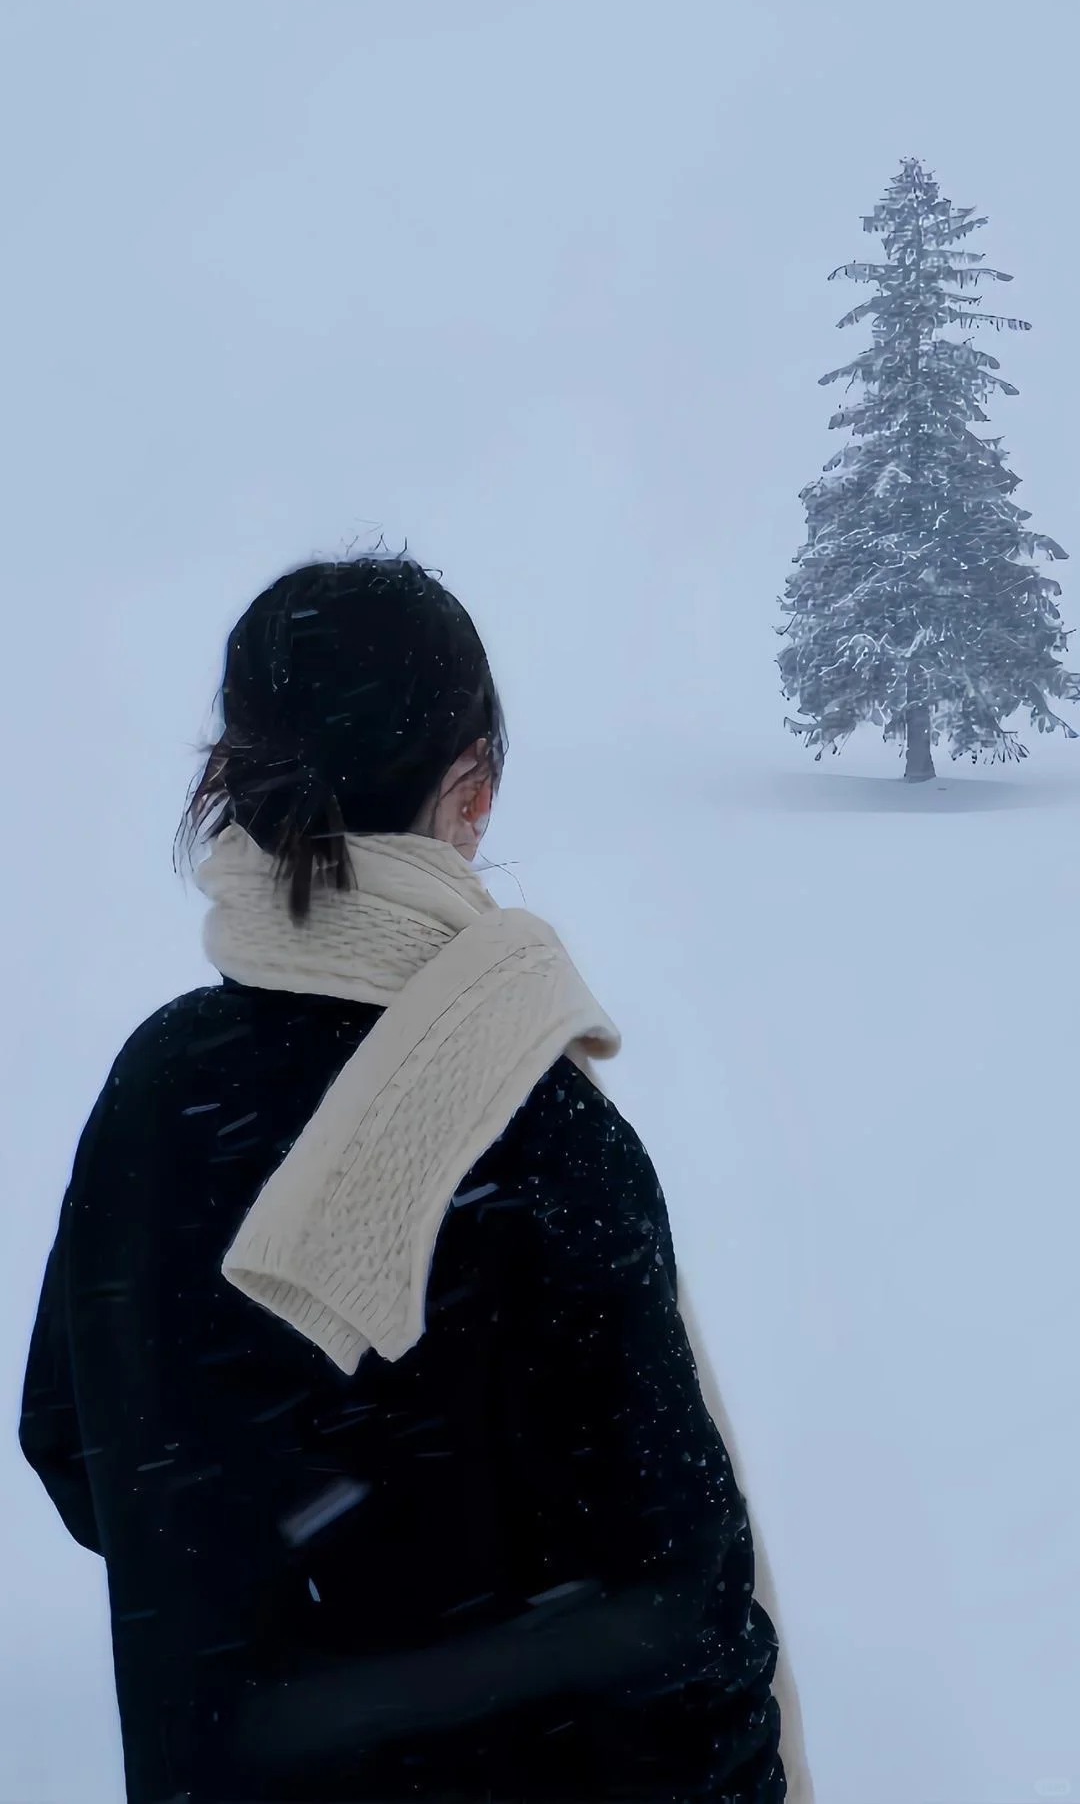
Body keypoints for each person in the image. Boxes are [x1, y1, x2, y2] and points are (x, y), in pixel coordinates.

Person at [19, 552, 813, 1804]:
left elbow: (71, 1440)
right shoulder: (541, 1134)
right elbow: (682, 1616)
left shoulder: (157, 1086)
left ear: (232, 777)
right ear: (472, 792)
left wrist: (252, 1593)